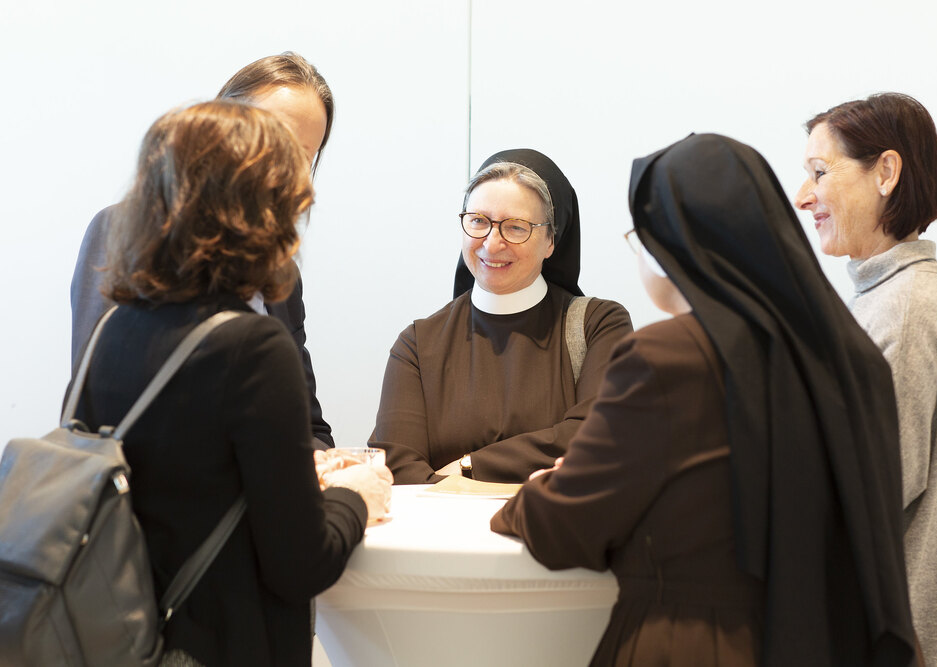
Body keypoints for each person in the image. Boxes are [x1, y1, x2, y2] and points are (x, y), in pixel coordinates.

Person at [492, 134, 920, 666]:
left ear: (674, 245)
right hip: (834, 645)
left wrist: (540, 488)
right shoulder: (853, 359)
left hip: (698, 645)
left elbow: (565, 529)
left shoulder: (666, 358)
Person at [68, 100, 392, 667]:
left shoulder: (115, 327)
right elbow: (301, 565)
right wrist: (356, 498)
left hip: (119, 636)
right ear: (261, 209)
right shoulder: (252, 347)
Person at [795, 93, 937, 667]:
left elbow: (854, 499)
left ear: (886, 172)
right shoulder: (900, 298)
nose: (804, 197)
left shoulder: (903, 311)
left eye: (820, 173)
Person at [70, 52, 336, 449]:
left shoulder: (281, 270)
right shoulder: (120, 229)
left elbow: (309, 428)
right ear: (222, 126)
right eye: (273, 141)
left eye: (303, 156)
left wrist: (329, 471)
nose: (288, 171)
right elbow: (92, 409)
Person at [370, 149, 633, 483]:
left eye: (516, 227)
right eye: (479, 221)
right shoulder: (419, 344)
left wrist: (469, 467)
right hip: (443, 533)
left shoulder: (599, 325)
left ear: (551, 240)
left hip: (553, 531)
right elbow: (396, 463)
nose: (492, 244)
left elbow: (597, 432)